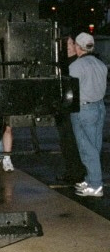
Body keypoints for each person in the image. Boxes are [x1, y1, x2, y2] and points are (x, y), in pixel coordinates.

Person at [69, 32, 107, 197]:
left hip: (83, 110)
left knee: (87, 148)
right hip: (99, 107)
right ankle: (91, 178)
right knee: (95, 146)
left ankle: (96, 185)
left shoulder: (76, 66)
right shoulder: (100, 64)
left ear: (78, 47)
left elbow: (71, 92)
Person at [55, 35, 85, 183]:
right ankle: (72, 171)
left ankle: (77, 172)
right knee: (66, 142)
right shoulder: (61, 64)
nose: (68, 46)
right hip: (64, 109)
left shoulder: (77, 63)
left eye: (70, 43)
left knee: (74, 142)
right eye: (65, 44)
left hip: (73, 108)